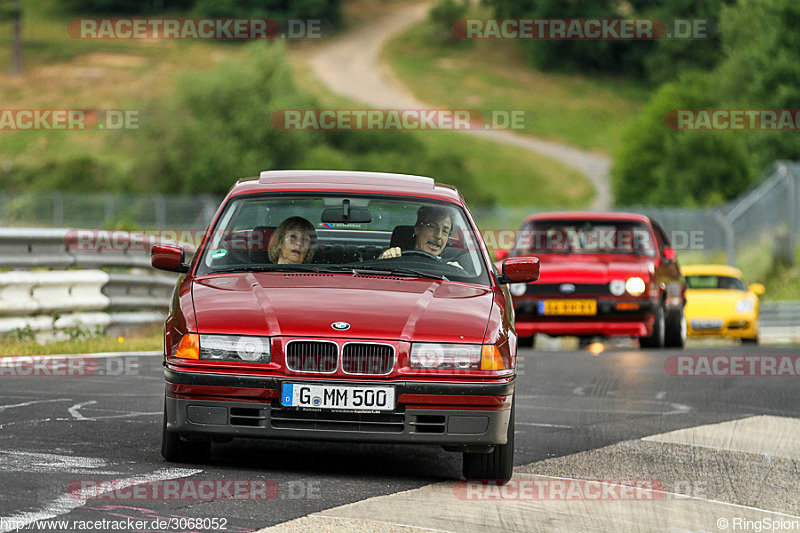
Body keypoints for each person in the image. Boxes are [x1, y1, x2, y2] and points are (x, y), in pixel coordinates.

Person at [379, 206, 461, 267]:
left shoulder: (451, 269)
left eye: (445, 231)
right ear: (417, 229)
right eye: (432, 226)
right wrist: (384, 260)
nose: (438, 235)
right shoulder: (393, 258)